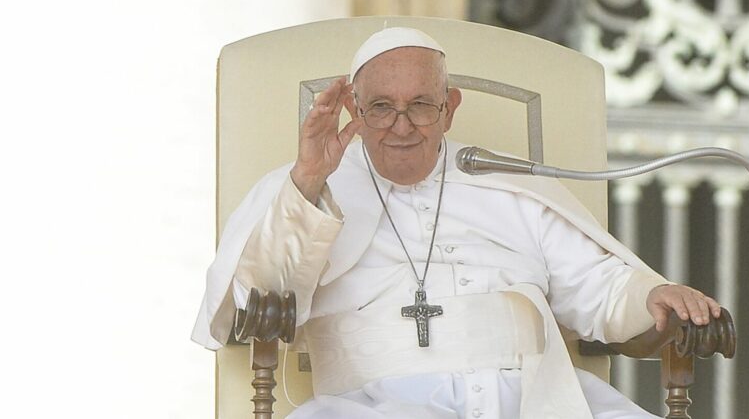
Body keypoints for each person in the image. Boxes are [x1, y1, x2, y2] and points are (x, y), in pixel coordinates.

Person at [192, 27, 722, 419]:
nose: (401, 127)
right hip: (377, 404)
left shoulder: (505, 180)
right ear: (353, 107)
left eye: (421, 106)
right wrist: (309, 179)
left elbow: (596, 285)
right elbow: (252, 296)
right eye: (380, 107)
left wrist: (651, 297)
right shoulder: (307, 182)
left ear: (450, 109)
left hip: (534, 398)